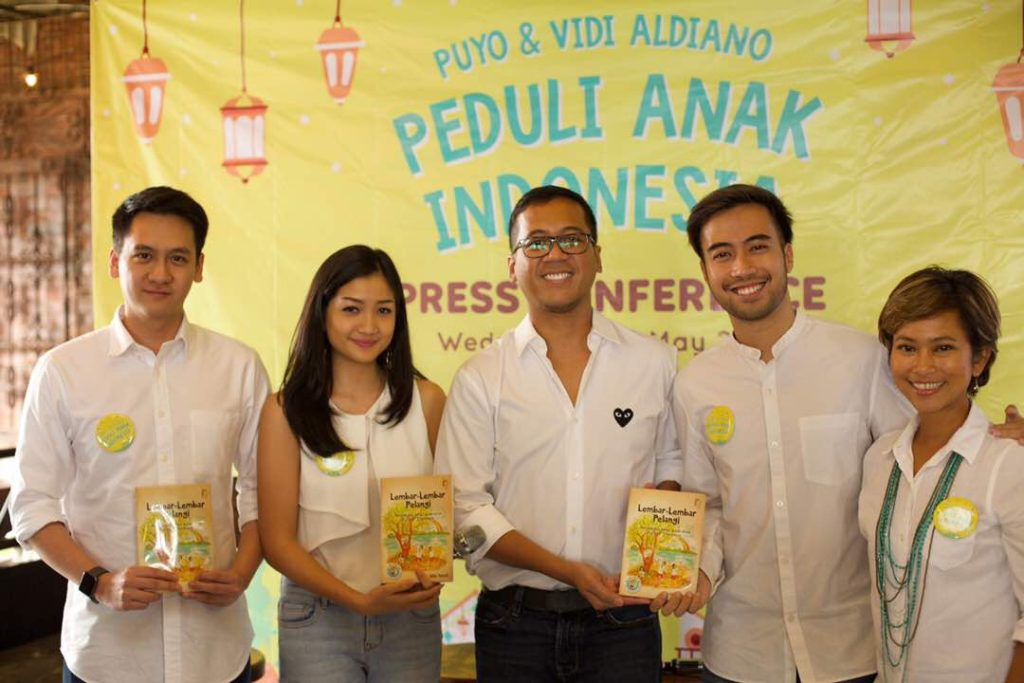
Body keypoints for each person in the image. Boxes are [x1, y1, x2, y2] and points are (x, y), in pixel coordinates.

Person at [673, 184, 1024, 683]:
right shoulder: (695, 384)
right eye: (722, 254)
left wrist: (1004, 439)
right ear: (705, 270)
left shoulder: (862, 361)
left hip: (853, 653)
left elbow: (930, 449)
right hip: (741, 652)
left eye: (757, 246)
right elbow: (707, 503)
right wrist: (699, 571)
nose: (742, 267)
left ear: (787, 255)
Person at [8, 186, 269, 683]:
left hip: (214, 649)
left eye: (178, 258)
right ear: (115, 261)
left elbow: (261, 491)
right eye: (143, 255)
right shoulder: (63, 371)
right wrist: (99, 583)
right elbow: (32, 505)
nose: (160, 273)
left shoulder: (238, 367)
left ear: (199, 267)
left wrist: (242, 573)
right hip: (106, 654)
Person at [434, 185, 690, 683]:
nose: (555, 254)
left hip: (624, 619)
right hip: (514, 625)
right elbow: (465, 507)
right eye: (536, 243)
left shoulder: (654, 362)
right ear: (513, 265)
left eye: (572, 239)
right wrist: (567, 570)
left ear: (597, 257)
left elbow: (673, 464)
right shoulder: (480, 377)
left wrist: (660, 540)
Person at [257, 245, 446, 682]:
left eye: (384, 311)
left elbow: (454, 509)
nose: (369, 326)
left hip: (410, 618)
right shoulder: (285, 411)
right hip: (317, 619)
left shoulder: (428, 401)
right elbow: (277, 541)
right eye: (351, 309)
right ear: (321, 312)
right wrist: (359, 601)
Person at [859, 267, 1024, 682]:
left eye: (943, 348)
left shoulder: (1007, 463)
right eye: (907, 347)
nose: (923, 366)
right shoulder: (880, 459)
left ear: (980, 358)